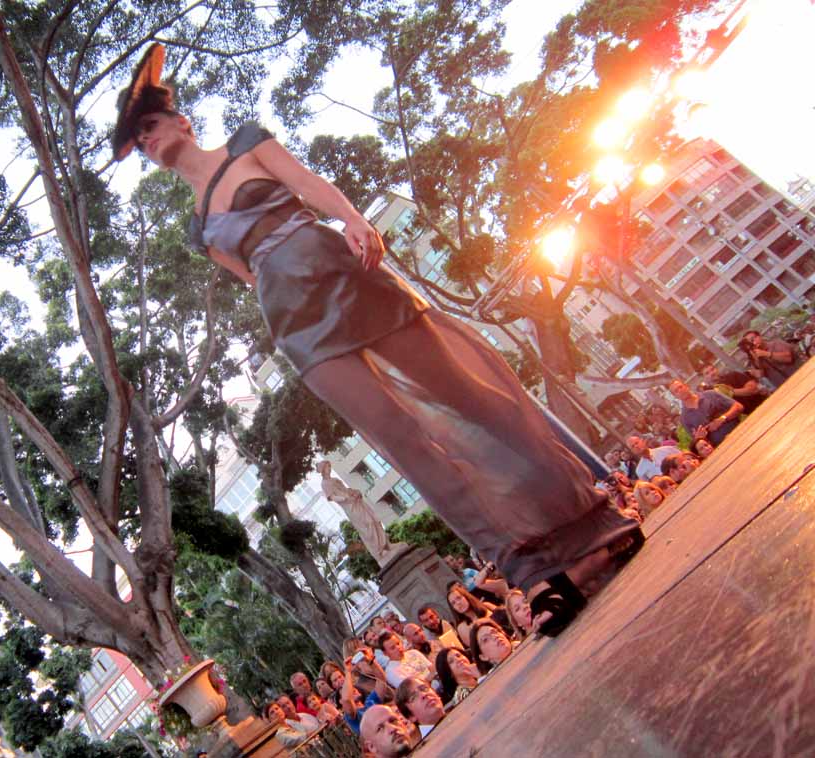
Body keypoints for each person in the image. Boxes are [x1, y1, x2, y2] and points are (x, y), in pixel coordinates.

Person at [112, 42, 642, 640]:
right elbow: (255, 276)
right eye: (141, 141)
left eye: (151, 126)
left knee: (474, 402)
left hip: (349, 276)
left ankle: (593, 525)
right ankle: (536, 576)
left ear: (181, 118)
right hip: (300, 330)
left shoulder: (245, 143)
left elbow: (307, 184)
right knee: (407, 444)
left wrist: (354, 219)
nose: (150, 141)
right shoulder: (198, 228)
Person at [668, 379, 743, 448]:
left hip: (740, 431)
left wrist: (723, 418)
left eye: (680, 387)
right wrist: (700, 438)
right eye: (676, 391)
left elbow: (738, 406)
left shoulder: (710, 394)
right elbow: (698, 443)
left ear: (687, 386)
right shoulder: (684, 418)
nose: (680, 391)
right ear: (675, 396)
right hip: (722, 447)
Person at [700, 363, 768, 415]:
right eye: (707, 373)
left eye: (712, 369)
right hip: (744, 421)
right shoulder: (709, 396)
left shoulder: (733, 375)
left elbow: (754, 389)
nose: (712, 373)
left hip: (763, 406)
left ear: (717, 369)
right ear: (703, 378)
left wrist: (731, 391)